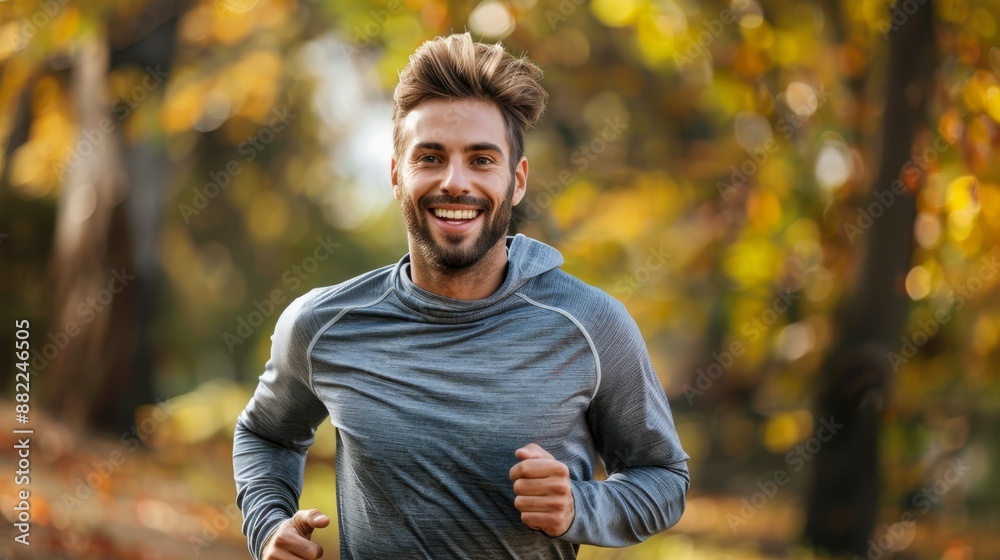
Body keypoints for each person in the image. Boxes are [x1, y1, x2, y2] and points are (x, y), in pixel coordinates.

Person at [232, 32, 690, 560]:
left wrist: (580, 508)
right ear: (396, 175)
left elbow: (664, 477)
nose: (454, 181)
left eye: (481, 159)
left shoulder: (590, 324)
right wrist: (267, 525)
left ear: (516, 181)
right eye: (430, 157)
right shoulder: (322, 325)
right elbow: (265, 434)